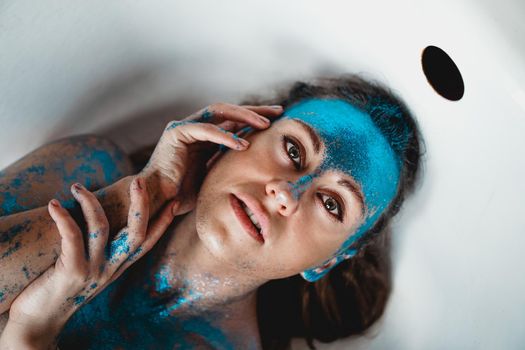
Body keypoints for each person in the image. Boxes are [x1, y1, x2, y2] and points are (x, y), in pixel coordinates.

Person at [0, 74, 424, 349]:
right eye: (293, 150)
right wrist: (142, 194)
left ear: (327, 261)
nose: (285, 192)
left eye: (332, 204)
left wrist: (32, 330)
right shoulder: (90, 170)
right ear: (238, 134)